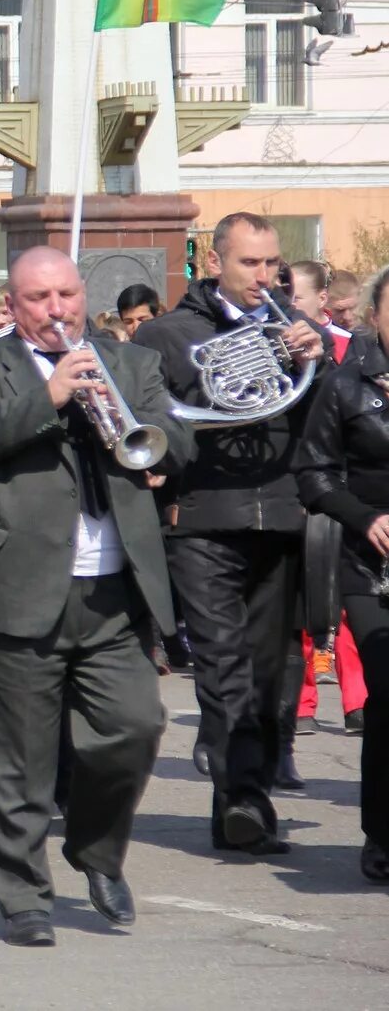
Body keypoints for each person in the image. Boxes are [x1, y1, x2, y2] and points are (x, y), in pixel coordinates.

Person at [0, 246, 192, 946]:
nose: (56, 311)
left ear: (82, 295)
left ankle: (97, 853)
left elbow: (173, 437)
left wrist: (152, 447)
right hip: (16, 585)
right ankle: (21, 892)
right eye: (38, 299)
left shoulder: (131, 360)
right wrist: (48, 396)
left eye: (65, 296)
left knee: (134, 726)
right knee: (13, 756)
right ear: (13, 305)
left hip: (114, 586)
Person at [133, 212, 326, 856]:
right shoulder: (166, 334)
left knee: (271, 673)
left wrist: (316, 367)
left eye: (272, 264)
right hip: (204, 519)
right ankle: (243, 798)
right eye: (250, 263)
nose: (264, 277)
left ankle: (246, 796)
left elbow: (321, 426)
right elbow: (161, 414)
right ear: (215, 263)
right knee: (223, 665)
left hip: (279, 516)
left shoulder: (293, 333)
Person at [295, 268, 389, 882]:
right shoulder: (345, 383)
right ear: (376, 315)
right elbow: (315, 473)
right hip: (372, 565)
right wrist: (368, 517)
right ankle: (381, 832)